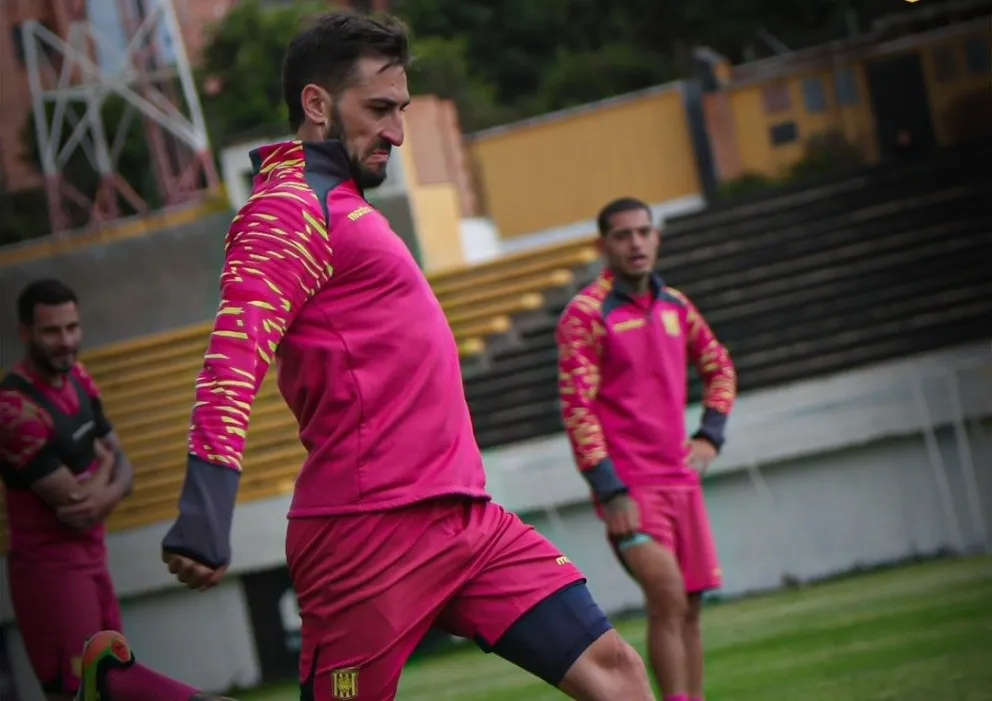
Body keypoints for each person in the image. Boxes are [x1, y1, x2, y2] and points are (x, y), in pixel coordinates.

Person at [84, 11, 654, 701]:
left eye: (401, 109)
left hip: (464, 517)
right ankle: (124, 691)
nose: (397, 131)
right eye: (379, 109)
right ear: (317, 104)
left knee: (617, 672)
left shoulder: (344, 201)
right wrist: (205, 512)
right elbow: (232, 359)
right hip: (366, 533)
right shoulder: (287, 208)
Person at [555, 197, 737, 701]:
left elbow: (720, 367)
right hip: (630, 490)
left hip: (682, 481)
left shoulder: (676, 306)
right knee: (668, 594)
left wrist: (710, 434)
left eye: (643, 232)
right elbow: (577, 408)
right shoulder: (586, 314)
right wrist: (610, 490)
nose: (635, 243)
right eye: (622, 235)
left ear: (656, 237)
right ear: (603, 245)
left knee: (691, 606)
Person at [0, 279, 133, 700]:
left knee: (117, 684)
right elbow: (79, 508)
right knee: (80, 694)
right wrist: (109, 465)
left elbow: (126, 471)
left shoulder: (78, 376)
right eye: (52, 331)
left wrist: (114, 473)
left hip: (95, 560)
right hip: (51, 573)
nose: (67, 341)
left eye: (72, 327)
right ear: (25, 333)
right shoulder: (12, 408)